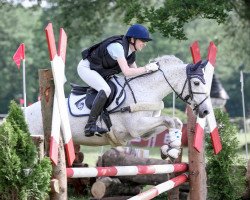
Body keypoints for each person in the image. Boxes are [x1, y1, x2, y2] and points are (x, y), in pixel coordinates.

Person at [77, 24, 159, 137]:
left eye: (145, 41)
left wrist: (151, 74)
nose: (144, 44)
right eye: (143, 41)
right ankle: (90, 126)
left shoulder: (131, 54)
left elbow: (135, 75)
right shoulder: (117, 47)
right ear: (132, 39)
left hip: (100, 71)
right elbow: (127, 72)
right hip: (86, 68)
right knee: (105, 89)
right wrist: (147, 68)